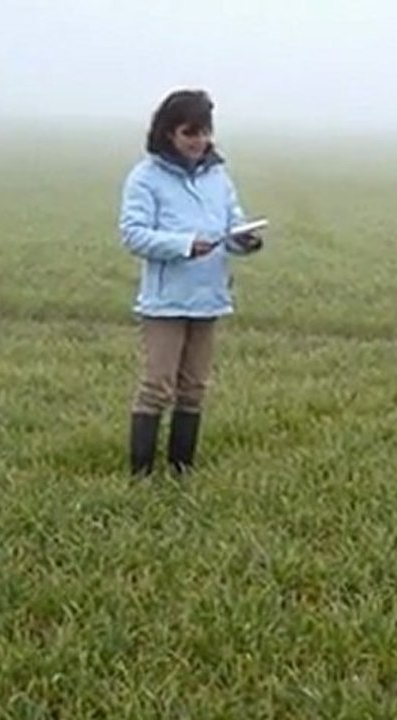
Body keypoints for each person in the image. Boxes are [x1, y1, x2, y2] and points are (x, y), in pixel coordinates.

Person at [119, 89, 263, 478]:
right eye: (190, 132)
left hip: (209, 297)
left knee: (194, 388)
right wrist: (184, 245)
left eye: (205, 132)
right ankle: (141, 476)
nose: (200, 140)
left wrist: (244, 240)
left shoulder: (218, 176)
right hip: (166, 301)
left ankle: (181, 471)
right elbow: (133, 234)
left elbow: (232, 223)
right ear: (169, 133)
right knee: (156, 387)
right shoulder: (145, 178)